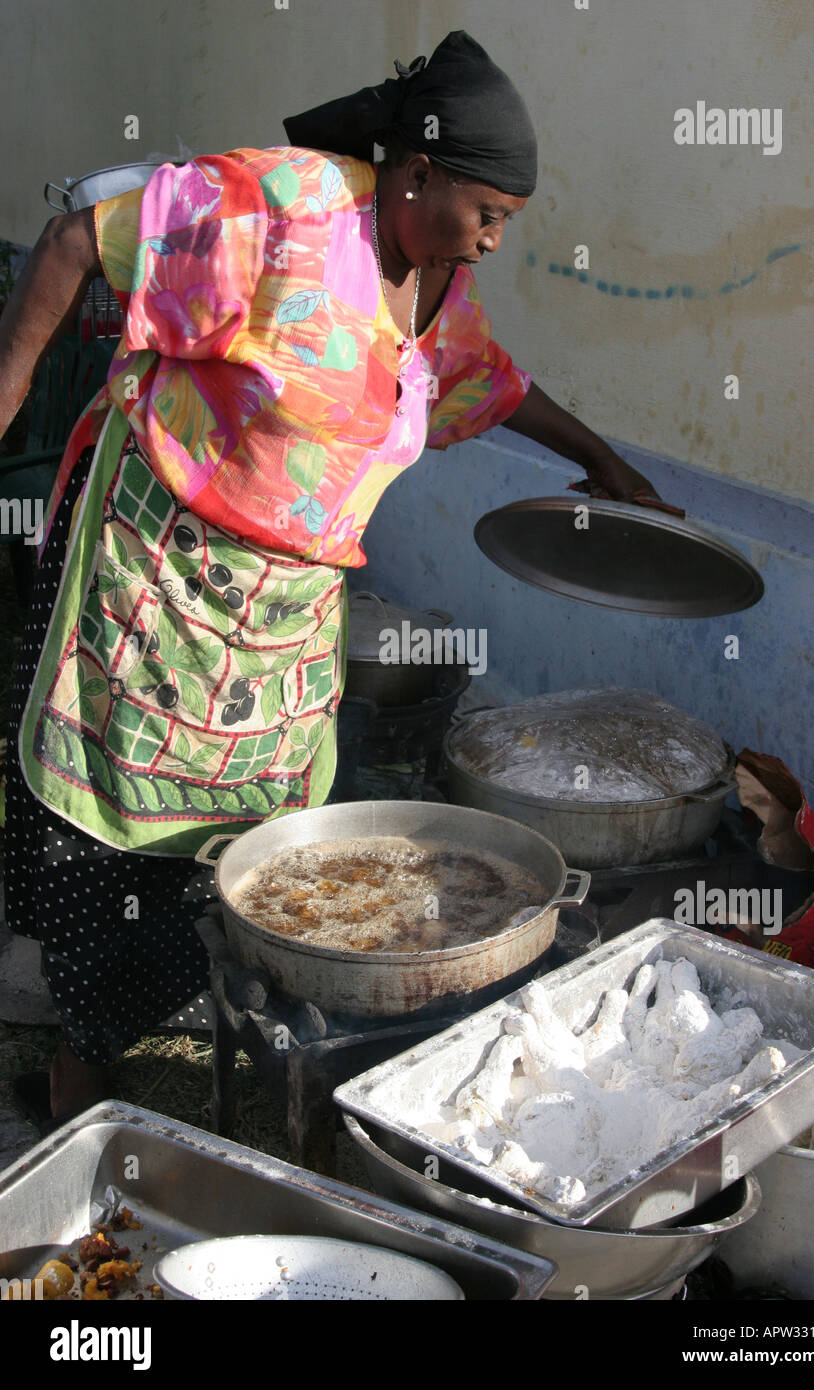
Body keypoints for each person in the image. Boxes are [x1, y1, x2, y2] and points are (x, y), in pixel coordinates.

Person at [0, 30, 658, 1127]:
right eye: (485, 213)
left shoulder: (435, 286)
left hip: (280, 618)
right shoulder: (287, 211)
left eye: (505, 221)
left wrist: (601, 460)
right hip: (156, 578)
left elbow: (485, 384)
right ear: (415, 174)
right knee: (105, 831)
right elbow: (80, 240)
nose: (493, 242)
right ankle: (83, 1068)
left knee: (260, 843)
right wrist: (9, 387)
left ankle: (214, 1029)